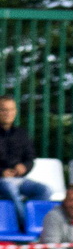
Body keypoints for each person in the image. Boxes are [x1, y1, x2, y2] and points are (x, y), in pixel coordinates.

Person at [0, 95, 52, 228]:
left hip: (20, 179)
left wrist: (24, 166)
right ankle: (25, 226)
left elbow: (30, 158)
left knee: (46, 190)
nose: (8, 113)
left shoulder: (21, 133)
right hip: (2, 180)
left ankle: (35, 224)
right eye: (4, 110)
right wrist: (2, 172)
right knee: (9, 187)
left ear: (15, 111)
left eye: (11, 110)